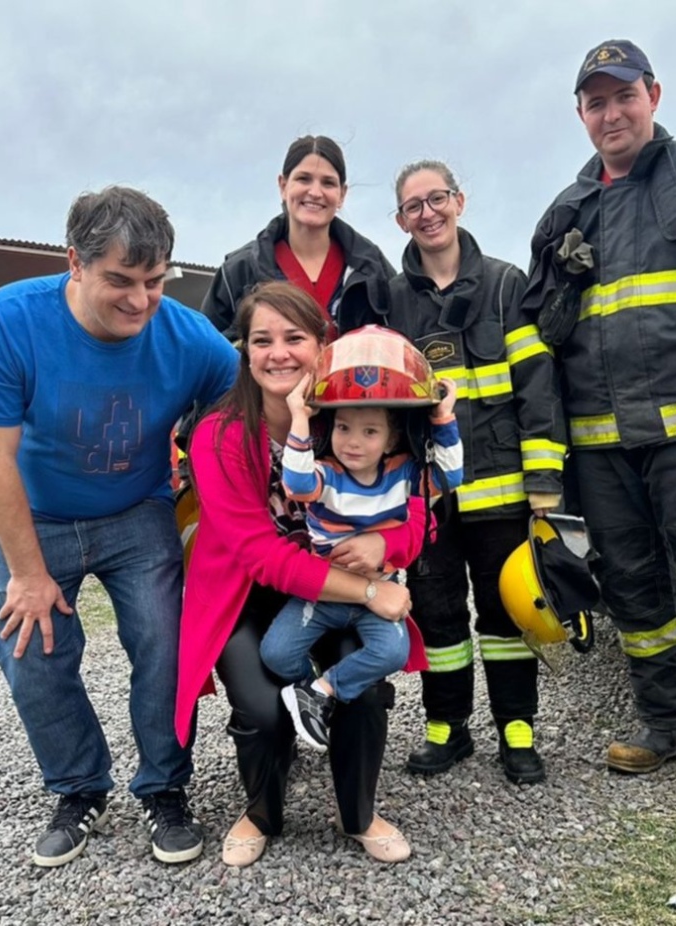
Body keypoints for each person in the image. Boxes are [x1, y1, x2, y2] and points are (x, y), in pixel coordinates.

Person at [523, 39, 676, 818]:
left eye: (623, 95)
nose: (611, 112)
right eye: (595, 101)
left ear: (653, 96)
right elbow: (540, 337)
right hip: (602, 446)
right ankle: (668, 726)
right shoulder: (567, 209)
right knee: (634, 591)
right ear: (581, 115)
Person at [0, 186, 239, 867]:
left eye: (154, 281)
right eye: (120, 280)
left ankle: (165, 787)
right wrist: (27, 575)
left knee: (165, 639)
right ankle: (79, 787)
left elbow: (248, 404)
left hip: (137, 510)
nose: (140, 301)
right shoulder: (6, 322)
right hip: (37, 515)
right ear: (76, 264)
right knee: (32, 648)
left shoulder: (187, 336)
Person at [175, 282, 429, 867]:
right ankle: (261, 809)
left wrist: (383, 541)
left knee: (361, 687)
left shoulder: (351, 420)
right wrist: (371, 589)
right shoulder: (217, 434)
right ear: (246, 352)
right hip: (249, 594)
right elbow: (260, 556)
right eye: (262, 340)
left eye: (295, 338)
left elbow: (417, 508)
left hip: (329, 589)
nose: (278, 353)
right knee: (261, 707)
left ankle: (358, 811)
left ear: (324, 345)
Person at [387, 161, 567, 783]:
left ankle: (516, 729)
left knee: (504, 615)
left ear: (459, 201)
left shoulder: (504, 286)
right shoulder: (392, 300)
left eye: (436, 198)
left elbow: (537, 390)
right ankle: (447, 727)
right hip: (428, 498)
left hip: (504, 495)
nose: (427, 213)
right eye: (413, 206)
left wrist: (544, 487)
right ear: (400, 220)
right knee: (436, 617)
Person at [260, 345, 463, 750]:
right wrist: (301, 416)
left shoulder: (404, 471)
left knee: (392, 650)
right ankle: (308, 694)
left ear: (391, 441)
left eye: (370, 431)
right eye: (343, 428)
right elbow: (297, 485)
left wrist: (442, 418)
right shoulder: (326, 474)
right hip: (327, 589)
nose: (353, 442)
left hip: (378, 591)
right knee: (276, 653)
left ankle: (321, 693)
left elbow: (450, 475)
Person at [201, 134, 395, 341]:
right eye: (304, 179)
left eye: (328, 183)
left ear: (342, 194)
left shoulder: (372, 267)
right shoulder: (239, 271)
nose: (315, 192)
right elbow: (206, 352)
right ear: (283, 186)